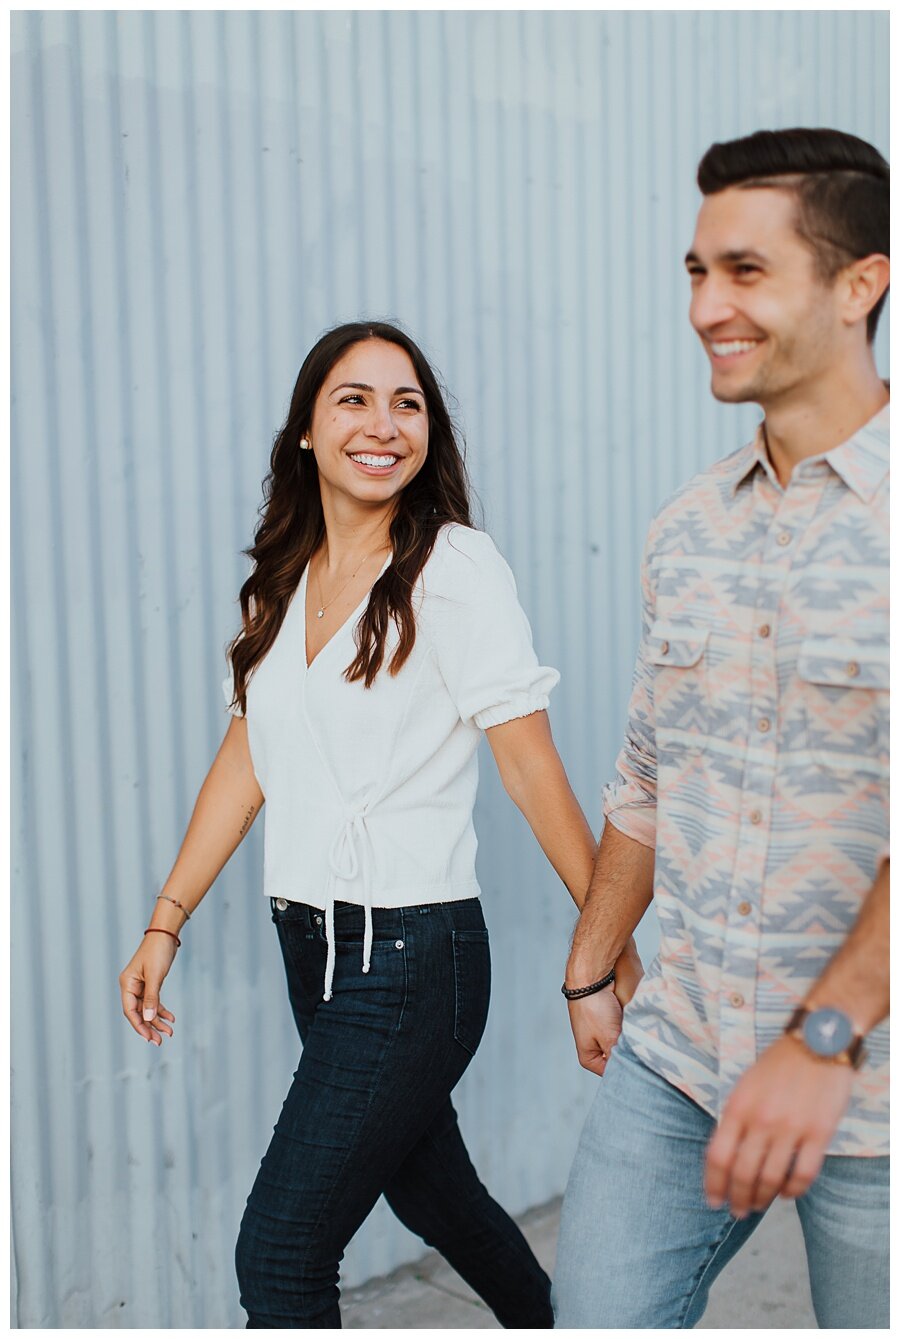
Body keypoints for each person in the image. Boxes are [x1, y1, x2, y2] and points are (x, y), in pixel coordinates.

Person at [118, 320, 639, 1328]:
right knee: (434, 1192)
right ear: (308, 430)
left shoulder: (453, 567)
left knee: (279, 1252)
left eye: (408, 402)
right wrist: (166, 918)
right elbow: (248, 758)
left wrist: (601, 949)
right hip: (311, 945)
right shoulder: (286, 575)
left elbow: (532, 772)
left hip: (410, 957)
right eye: (353, 398)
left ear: (428, 433)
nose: (384, 422)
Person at [553, 128, 889, 1329]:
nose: (706, 305)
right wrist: (593, 961)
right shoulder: (685, 527)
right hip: (680, 1057)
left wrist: (825, 1036)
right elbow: (648, 771)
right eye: (696, 272)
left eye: (745, 271)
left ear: (861, 283)